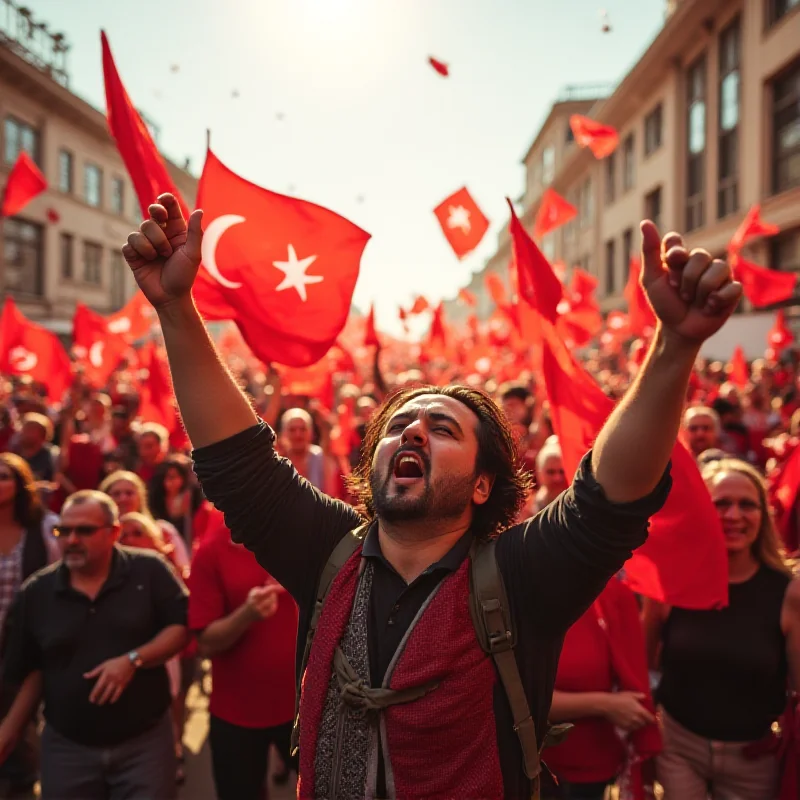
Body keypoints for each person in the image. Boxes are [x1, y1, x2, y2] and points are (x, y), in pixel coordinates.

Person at [122, 193, 742, 798]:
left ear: (482, 484)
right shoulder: (327, 554)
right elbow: (238, 464)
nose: (412, 430)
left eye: (442, 428)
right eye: (397, 426)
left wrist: (673, 348)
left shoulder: (521, 578)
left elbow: (608, 501)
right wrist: (176, 307)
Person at [0, 490, 189, 800]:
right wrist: (8, 732)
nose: (72, 540)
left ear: (113, 532)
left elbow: (180, 628)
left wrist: (133, 660)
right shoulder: (37, 592)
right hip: (67, 750)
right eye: (63, 531)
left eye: (84, 530)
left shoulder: (149, 570)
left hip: (144, 747)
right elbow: (33, 670)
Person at [644, 459, 800, 799]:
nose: (734, 515)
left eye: (747, 504)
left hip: (755, 760)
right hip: (679, 749)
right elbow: (645, 665)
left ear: (764, 514)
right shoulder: (671, 582)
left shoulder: (789, 593)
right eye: (721, 504)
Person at [188, 525, 298, 800]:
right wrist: (247, 614)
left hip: (307, 708)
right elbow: (205, 644)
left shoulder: (303, 537)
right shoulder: (211, 550)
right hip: (236, 715)